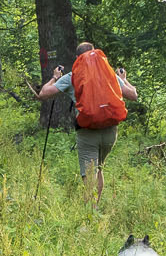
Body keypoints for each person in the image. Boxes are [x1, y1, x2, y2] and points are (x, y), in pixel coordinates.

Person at [36, 42, 138, 201]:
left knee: (89, 174)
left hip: (87, 132)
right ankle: (95, 209)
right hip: (110, 131)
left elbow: (43, 94)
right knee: (98, 169)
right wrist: (124, 80)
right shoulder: (109, 73)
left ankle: (91, 213)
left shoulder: (72, 76)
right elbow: (133, 95)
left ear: (78, 58)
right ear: (95, 54)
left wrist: (55, 77)